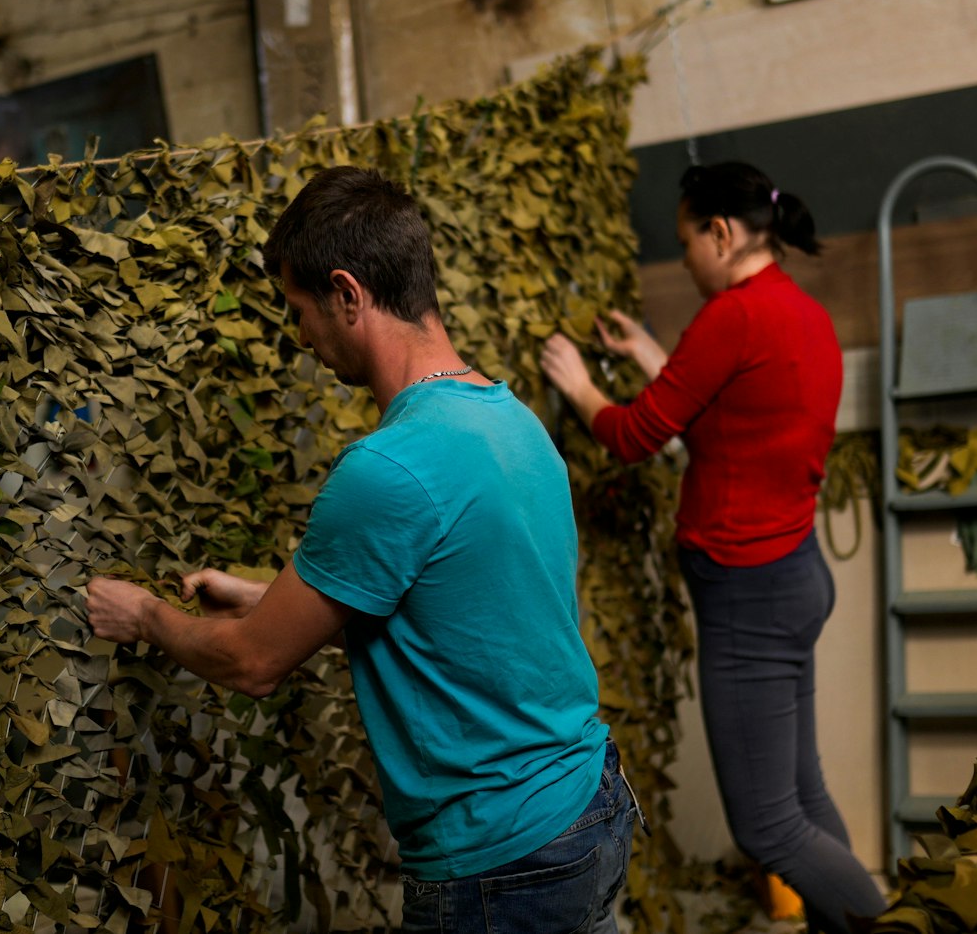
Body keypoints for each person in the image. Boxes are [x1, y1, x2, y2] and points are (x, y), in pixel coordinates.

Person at [84, 165, 637, 933]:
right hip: (587, 804)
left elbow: (251, 663)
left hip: (500, 859)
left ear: (348, 294)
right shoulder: (510, 421)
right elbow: (462, 602)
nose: (302, 337)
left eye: (299, 310)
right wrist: (265, 598)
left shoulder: (388, 467)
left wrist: (145, 614)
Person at [537, 161, 884, 934]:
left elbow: (634, 435)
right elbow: (730, 420)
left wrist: (576, 385)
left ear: (720, 234)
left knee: (766, 826)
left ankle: (896, 926)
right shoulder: (798, 314)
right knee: (803, 793)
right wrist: (648, 359)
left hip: (748, 596)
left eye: (686, 240)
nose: (685, 257)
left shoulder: (732, 317)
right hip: (795, 578)